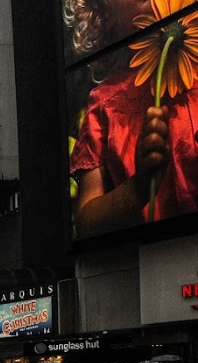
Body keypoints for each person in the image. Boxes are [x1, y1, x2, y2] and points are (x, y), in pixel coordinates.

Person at [65, 0, 198, 238]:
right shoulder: (106, 105)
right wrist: (140, 186)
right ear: (105, 18)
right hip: (151, 268)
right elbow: (85, 222)